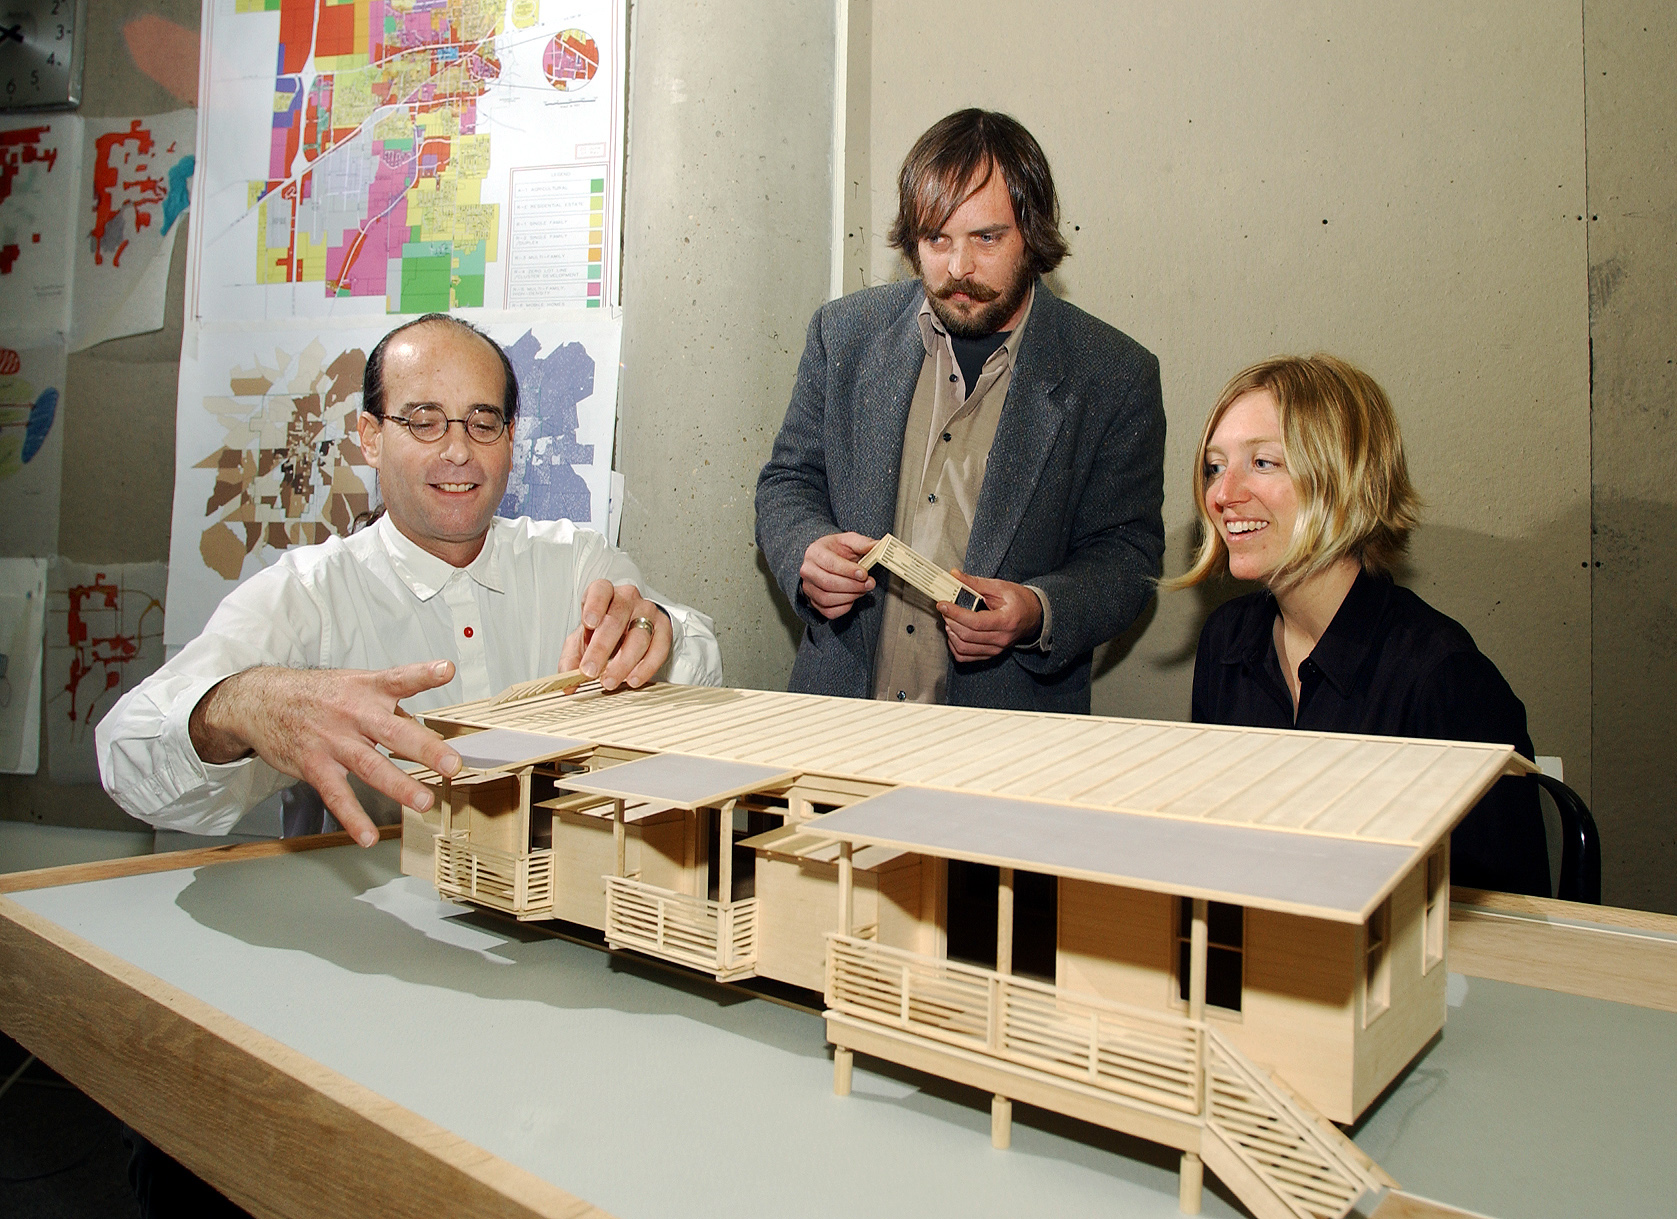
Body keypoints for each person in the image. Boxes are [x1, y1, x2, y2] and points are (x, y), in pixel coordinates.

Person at [98, 313, 722, 846]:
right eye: (424, 421)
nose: (458, 451)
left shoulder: (576, 564)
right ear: (370, 437)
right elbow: (130, 767)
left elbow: (702, 673)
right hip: (378, 931)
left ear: (510, 436)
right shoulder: (306, 596)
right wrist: (244, 704)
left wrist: (658, 630)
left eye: (483, 422)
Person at [755, 108, 1166, 715]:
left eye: (987, 238)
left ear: (1033, 232)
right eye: (936, 239)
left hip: (1007, 742)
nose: (958, 268)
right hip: (837, 721)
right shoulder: (842, 335)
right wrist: (806, 550)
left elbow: (1127, 558)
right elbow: (788, 483)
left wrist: (1036, 611)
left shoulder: (1113, 374)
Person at [1171, 354, 1550, 896]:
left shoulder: (1444, 677)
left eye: (1264, 463)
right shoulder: (1226, 640)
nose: (1222, 493)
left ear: (1344, 476)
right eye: (1214, 465)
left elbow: (1504, 919)